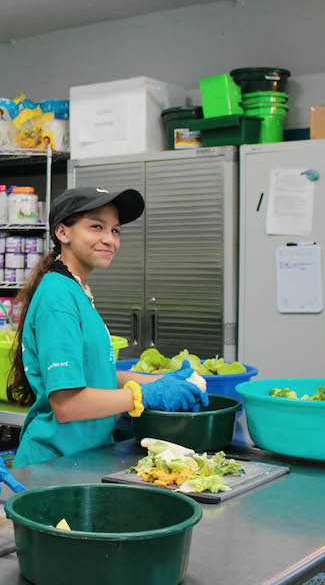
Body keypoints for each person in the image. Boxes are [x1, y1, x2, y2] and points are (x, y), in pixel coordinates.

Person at [8, 186, 208, 468]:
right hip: (52, 466)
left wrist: (166, 381)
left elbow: (97, 375)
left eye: (115, 230)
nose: (109, 240)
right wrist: (142, 395)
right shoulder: (58, 296)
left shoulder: (77, 290)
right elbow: (67, 404)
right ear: (63, 233)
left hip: (83, 458)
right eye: (96, 226)